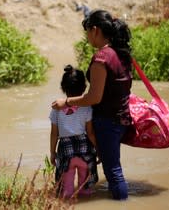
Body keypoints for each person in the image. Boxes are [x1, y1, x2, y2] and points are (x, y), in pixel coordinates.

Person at [52, 10, 132, 200]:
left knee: (113, 170)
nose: (87, 37)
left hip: (108, 122)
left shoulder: (101, 58)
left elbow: (94, 97)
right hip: (122, 118)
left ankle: (122, 202)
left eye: (87, 32)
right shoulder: (120, 53)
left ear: (95, 30)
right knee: (113, 165)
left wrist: (67, 102)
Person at [50, 65, 99, 199]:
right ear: (84, 87)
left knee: (66, 192)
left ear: (63, 88)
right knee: (86, 191)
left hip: (66, 153)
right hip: (85, 152)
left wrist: (52, 153)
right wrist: (98, 150)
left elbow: (54, 134)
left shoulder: (56, 108)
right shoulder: (87, 107)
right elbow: (90, 133)